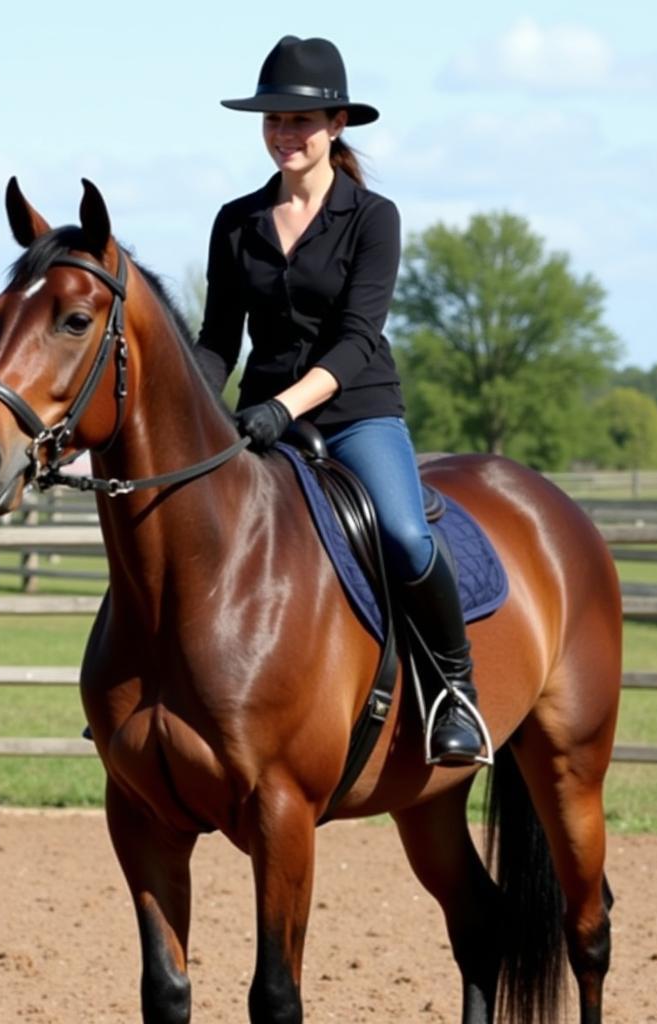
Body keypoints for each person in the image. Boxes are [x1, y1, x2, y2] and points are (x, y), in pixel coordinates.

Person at [193, 35, 484, 764]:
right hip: (258, 417)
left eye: (300, 121)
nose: (284, 135)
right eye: (273, 121)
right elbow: (218, 341)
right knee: (175, 521)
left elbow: (356, 341)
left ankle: (454, 690)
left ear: (337, 124)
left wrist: (285, 408)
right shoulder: (235, 221)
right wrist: (186, 413)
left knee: (405, 532)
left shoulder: (372, 217)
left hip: (354, 411)